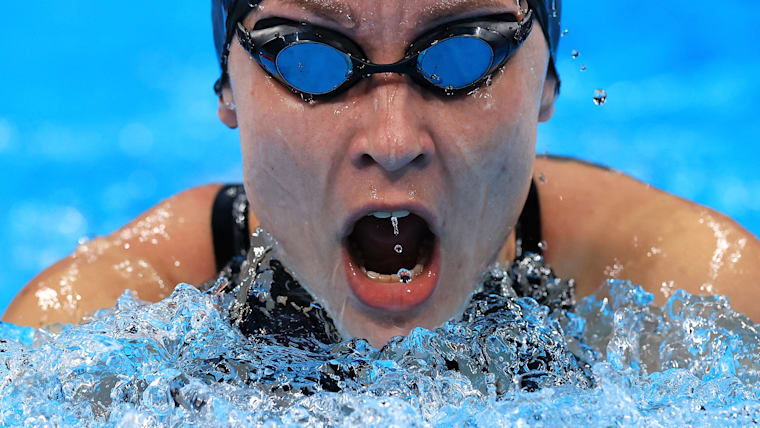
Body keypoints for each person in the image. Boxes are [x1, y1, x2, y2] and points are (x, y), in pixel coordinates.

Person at [4, 0, 759, 348]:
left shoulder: (698, 296)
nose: (393, 142)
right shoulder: (90, 330)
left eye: (462, 53)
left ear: (547, 83)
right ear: (228, 88)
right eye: (309, 59)